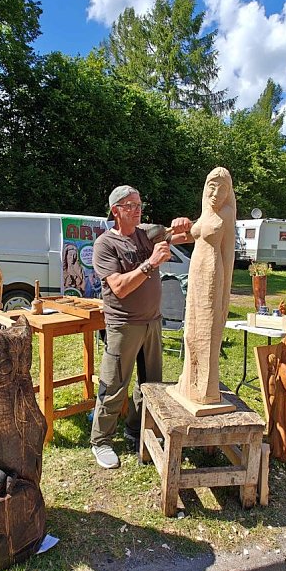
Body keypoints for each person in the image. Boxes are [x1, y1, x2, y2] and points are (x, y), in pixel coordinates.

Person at [90, 185, 193, 469]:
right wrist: (151, 263)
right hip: (123, 324)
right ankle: (101, 441)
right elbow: (120, 288)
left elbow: (188, 234)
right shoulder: (105, 245)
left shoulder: (146, 233)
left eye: (139, 204)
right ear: (115, 211)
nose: (137, 210)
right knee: (114, 384)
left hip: (152, 321)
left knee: (151, 385)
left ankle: (136, 430)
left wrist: (185, 223)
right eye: (130, 206)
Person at [175, 167, 236, 405]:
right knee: (192, 330)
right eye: (212, 186)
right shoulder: (205, 213)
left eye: (223, 188)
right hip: (196, 273)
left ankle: (206, 387)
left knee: (208, 330)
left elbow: (228, 253)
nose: (216, 193)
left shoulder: (227, 214)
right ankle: (189, 379)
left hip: (212, 273)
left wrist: (224, 295)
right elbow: (189, 234)